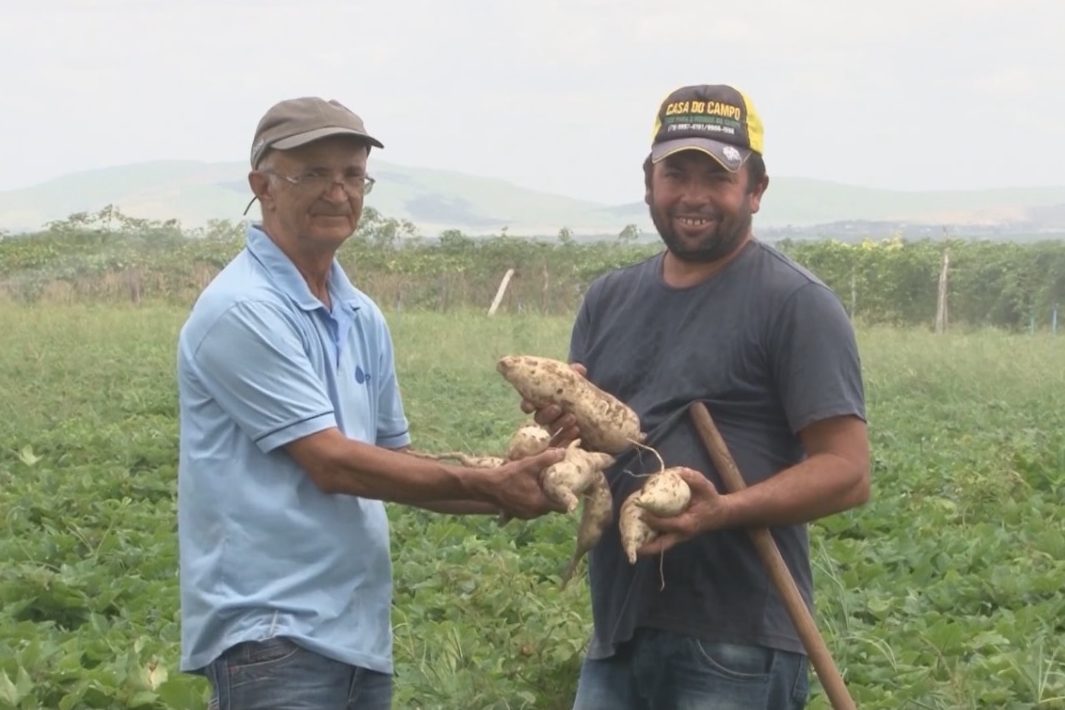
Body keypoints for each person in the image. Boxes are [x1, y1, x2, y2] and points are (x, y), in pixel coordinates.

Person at [176, 96, 564, 709]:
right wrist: (495, 487)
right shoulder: (243, 309)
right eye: (313, 173)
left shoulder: (361, 314)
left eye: (352, 175)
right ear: (263, 186)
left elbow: (394, 464)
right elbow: (334, 463)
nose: (338, 191)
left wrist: (527, 483)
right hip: (272, 635)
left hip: (355, 638)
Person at [530, 84, 871, 709]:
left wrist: (722, 512)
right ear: (648, 181)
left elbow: (848, 473)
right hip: (620, 630)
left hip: (736, 639)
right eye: (675, 173)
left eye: (716, 177)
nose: (691, 196)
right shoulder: (609, 299)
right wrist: (560, 431)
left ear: (756, 189)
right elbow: (600, 447)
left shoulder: (794, 304)